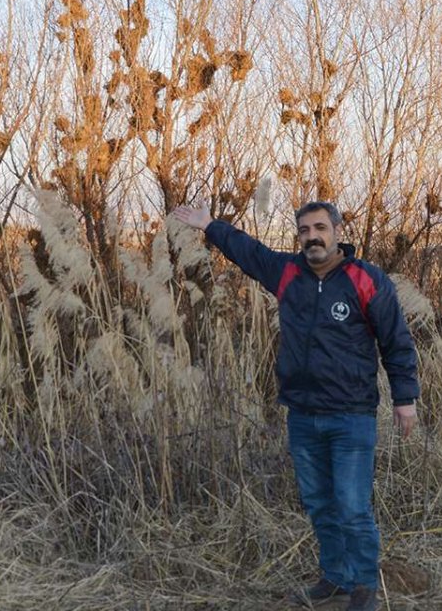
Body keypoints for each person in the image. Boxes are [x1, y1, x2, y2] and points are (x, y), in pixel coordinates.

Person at [170, 201, 419, 611]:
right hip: (302, 415)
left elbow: (396, 341)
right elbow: (247, 250)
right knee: (320, 503)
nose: (312, 236)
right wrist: (209, 225)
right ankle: (336, 578)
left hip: (351, 416)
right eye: (304, 230)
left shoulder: (366, 279)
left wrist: (405, 399)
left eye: (320, 227)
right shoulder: (287, 273)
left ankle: (363, 585)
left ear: (337, 231)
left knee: (353, 507)